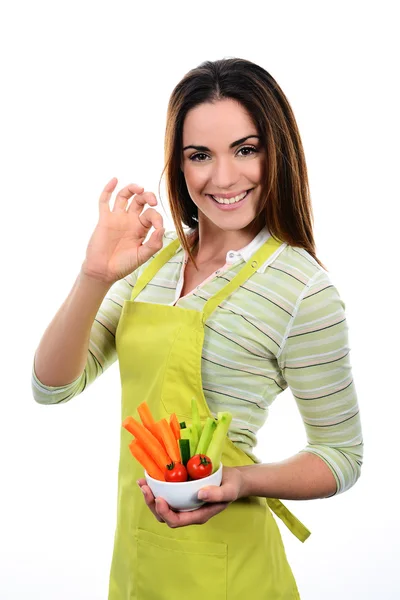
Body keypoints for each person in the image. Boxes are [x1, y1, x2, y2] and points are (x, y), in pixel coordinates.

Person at [32, 58, 363, 599]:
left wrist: (242, 481)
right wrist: (95, 274)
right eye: (200, 155)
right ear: (179, 166)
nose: (224, 177)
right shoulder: (152, 261)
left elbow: (342, 457)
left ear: (276, 153)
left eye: (246, 149)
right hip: (139, 563)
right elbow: (51, 386)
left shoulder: (303, 289)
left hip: (233, 571)